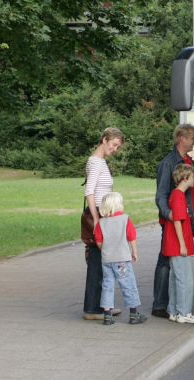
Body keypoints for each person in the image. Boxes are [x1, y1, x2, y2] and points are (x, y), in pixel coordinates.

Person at [151, 124, 194, 318]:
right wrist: (170, 214)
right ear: (182, 138)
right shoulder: (168, 163)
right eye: (192, 138)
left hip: (192, 216)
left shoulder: (188, 160)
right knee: (166, 260)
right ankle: (160, 305)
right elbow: (161, 195)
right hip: (176, 219)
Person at [83, 127, 124, 321]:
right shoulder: (97, 162)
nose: (115, 149)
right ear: (104, 140)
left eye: (117, 146)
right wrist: (97, 219)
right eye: (114, 144)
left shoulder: (99, 161)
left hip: (102, 213)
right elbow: (89, 191)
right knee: (98, 262)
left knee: (102, 261)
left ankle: (102, 305)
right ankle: (93, 309)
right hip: (98, 213)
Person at [95, 192, 147, 326]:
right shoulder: (125, 219)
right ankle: (134, 313)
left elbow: (99, 241)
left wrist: (106, 250)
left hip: (107, 260)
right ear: (117, 206)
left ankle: (107, 315)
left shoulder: (101, 222)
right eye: (121, 203)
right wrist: (134, 252)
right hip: (122, 260)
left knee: (107, 285)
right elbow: (132, 236)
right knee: (128, 285)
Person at [164, 163, 194, 324]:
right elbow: (178, 222)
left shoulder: (175, 194)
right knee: (185, 280)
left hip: (173, 244)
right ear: (185, 178)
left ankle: (173, 311)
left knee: (175, 278)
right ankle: (184, 312)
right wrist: (183, 245)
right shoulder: (179, 196)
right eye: (193, 176)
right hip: (178, 245)